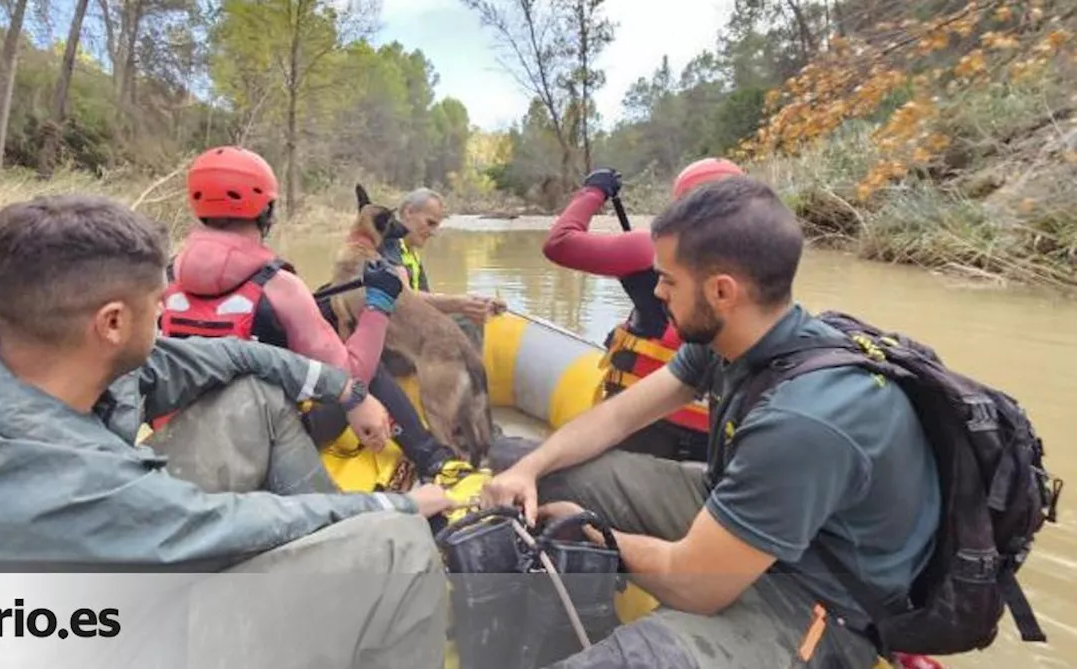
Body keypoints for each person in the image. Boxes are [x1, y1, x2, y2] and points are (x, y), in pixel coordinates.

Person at [0, 194, 453, 668]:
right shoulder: (72, 482)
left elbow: (234, 361)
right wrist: (393, 506)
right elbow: (224, 526)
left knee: (254, 399)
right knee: (399, 546)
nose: (165, 312)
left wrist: (346, 390)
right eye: (156, 303)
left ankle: (339, 574)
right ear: (112, 322)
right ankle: (364, 576)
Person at [482, 176, 941, 669]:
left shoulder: (804, 421)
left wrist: (594, 532)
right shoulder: (730, 341)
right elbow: (619, 415)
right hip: (746, 521)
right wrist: (529, 468)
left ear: (722, 290)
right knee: (537, 475)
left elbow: (696, 585)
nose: (656, 291)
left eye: (668, 280)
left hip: (815, 602)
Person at [158, 146, 463, 481]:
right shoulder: (279, 286)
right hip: (262, 444)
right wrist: (378, 305)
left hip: (181, 438)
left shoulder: (164, 278)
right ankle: (432, 459)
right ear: (267, 209)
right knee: (370, 370)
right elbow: (352, 375)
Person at [542, 158, 745, 463]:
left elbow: (559, 243)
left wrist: (593, 191)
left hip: (647, 421)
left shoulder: (648, 248)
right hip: (716, 433)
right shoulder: (762, 260)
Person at [381, 187, 507, 346]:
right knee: (465, 323)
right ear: (408, 212)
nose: (433, 232)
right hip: (387, 333)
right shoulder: (389, 242)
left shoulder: (411, 252)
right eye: (430, 223)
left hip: (407, 325)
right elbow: (403, 297)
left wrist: (475, 303)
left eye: (436, 226)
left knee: (470, 318)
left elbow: (426, 301)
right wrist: (458, 303)